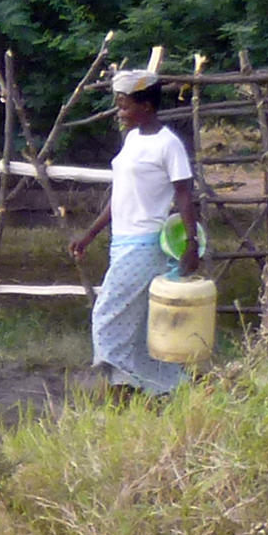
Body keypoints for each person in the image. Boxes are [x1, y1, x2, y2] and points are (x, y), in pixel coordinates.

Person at [83, 62, 206, 396]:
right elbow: (121, 194)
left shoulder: (168, 145)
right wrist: (90, 234)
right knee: (136, 326)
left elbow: (183, 194)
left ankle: (121, 385)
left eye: (124, 104)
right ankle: (165, 388)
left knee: (107, 316)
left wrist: (190, 244)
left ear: (146, 106)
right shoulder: (133, 139)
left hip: (145, 242)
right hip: (122, 241)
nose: (119, 111)